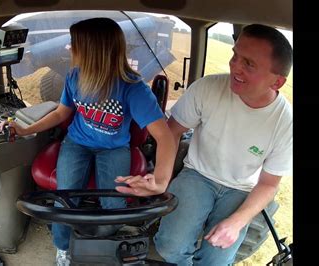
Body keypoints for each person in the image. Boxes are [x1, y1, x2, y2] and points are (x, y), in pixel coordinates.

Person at [0, 17, 175, 266]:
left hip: (114, 148)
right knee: (64, 199)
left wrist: (161, 180)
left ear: (93, 51)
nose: (69, 49)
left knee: (114, 205)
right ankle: (62, 249)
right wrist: (26, 129)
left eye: (74, 44)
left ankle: (102, 242)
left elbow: (165, 136)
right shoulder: (74, 77)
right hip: (77, 143)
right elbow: (61, 113)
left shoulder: (132, 87)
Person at [116, 24, 292, 265]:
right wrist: (160, 178)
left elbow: (269, 184)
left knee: (216, 260)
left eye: (249, 64)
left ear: (277, 82)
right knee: (169, 248)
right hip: (197, 173)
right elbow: (172, 133)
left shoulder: (286, 123)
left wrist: (237, 222)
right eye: (235, 55)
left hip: (241, 188)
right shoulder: (208, 88)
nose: (235, 66)